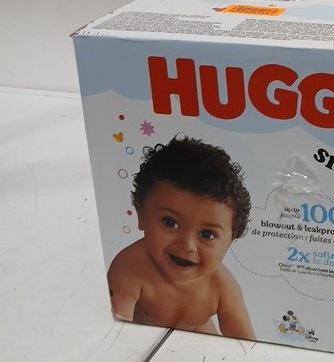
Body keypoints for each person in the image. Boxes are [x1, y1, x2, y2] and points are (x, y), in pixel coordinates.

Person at [107, 135, 255, 339]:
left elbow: (246, 343)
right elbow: (115, 334)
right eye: (170, 223)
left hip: (196, 338)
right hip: (144, 342)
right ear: (141, 215)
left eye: (207, 234)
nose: (187, 245)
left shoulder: (221, 286)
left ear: (231, 241)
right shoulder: (130, 269)